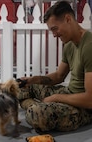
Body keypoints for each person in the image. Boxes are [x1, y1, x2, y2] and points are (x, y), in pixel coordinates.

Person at [18, 1, 92, 132]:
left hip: (84, 107)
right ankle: (40, 107)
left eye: (55, 29)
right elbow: (59, 76)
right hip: (69, 94)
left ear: (68, 19)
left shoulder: (89, 46)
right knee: (20, 88)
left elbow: (90, 99)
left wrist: (56, 98)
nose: (54, 34)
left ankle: (38, 108)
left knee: (37, 114)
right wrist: (32, 80)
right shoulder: (69, 44)